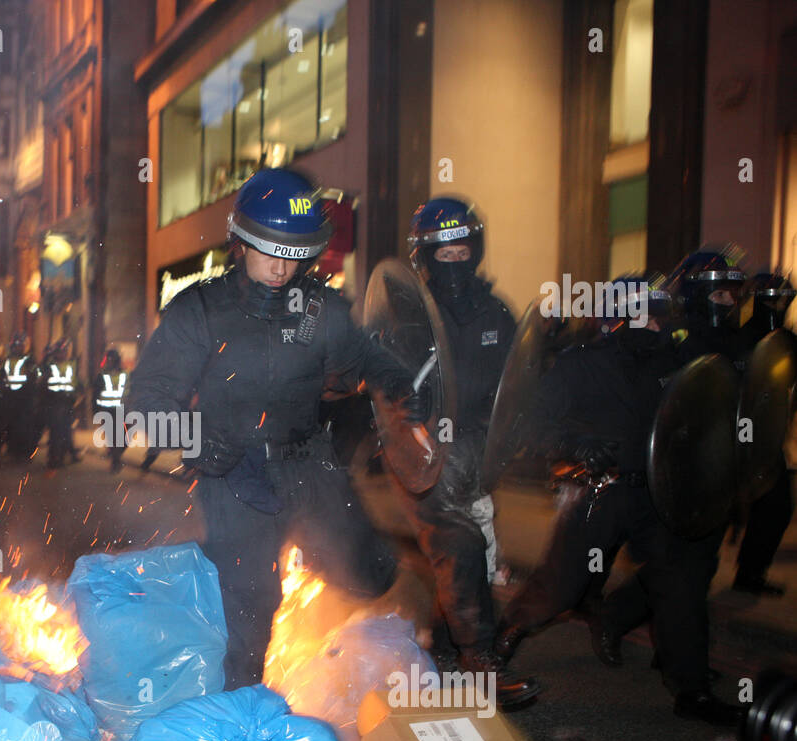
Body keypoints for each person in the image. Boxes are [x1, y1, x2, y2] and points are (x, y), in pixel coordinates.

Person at [129, 168, 419, 689]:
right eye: (270, 250)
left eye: (294, 253)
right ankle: (241, 707)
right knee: (250, 597)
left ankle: (326, 625)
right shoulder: (199, 311)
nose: (283, 266)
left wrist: (403, 389)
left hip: (307, 461)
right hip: (231, 470)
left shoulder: (319, 310)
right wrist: (196, 436)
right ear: (241, 242)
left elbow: (369, 359)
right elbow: (145, 401)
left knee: (371, 569)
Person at [495, 273, 742, 725]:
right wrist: (574, 444)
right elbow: (531, 424)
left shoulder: (678, 363)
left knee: (681, 585)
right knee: (563, 584)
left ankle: (692, 691)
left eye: (659, 317)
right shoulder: (579, 365)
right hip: (598, 491)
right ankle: (509, 629)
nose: (654, 326)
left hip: (656, 493)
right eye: (643, 316)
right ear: (616, 318)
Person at [402, 197, 537, 705]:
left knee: (467, 556)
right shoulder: (409, 315)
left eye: (463, 250)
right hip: (421, 455)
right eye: (444, 252)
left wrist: (516, 435)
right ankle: (478, 657)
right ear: (424, 256)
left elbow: (515, 385)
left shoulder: (495, 312)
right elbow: (387, 385)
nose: (455, 261)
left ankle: (441, 638)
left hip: (477, 455)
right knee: (460, 543)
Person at [731, 272, 795, 595]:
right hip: (743, 438)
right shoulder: (744, 338)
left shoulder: (784, 341)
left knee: (775, 506)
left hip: (768, 438)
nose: (781, 306)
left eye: (785, 301)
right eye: (776, 300)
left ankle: (751, 572)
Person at [41, 338, 81, 468]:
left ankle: (64, 455)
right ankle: (54, 458)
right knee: (56, 431)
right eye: (62, 352)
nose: (64, 354)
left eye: (65, 351)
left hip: (68, 402)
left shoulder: (72, 364)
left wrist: (78, 394)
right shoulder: (49, 365)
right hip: (54, 402)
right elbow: (43, 384)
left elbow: (76, 381)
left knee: (66, 431)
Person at [1, 332, 39, 462]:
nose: (20, 348)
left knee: (25, 427)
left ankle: (25, 452)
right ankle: (13, 450)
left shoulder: (30, 360)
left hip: (25, 399)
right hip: (10, 398)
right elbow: (2, 376)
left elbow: (34, 379)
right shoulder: (7, 359)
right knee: (11, 427)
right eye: (18, 345)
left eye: (22, 345)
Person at [96, 349, 131, 472]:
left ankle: (115, 456)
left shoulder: (123, 374)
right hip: (111, 409)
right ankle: (115, 461)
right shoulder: (105, 374)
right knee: (115, 437)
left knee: (120, 436)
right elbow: (97, 392)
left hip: (119, 409)